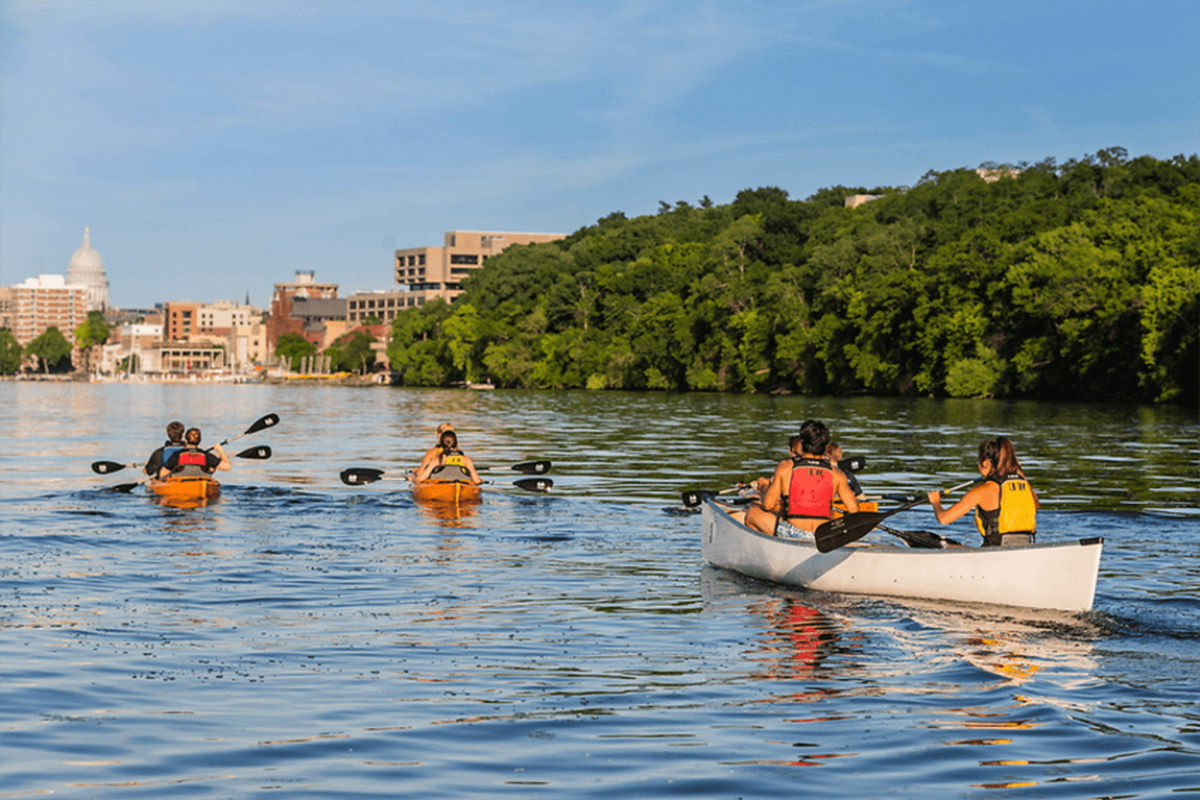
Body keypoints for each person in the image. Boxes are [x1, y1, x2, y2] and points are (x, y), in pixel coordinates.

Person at [745, 420, 860, 539]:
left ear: (802, 442)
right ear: (825, 446)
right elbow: (853, 509)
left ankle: (771, 550)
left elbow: (768, 505)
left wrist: (763, 489)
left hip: (794, 533)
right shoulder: (837, 473)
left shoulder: (786, 467)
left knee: (752, 513)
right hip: (822, 535)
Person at [927, 436, 1039, 547]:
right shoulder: (1024, 485)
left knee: (944, 545)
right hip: (1025, 547)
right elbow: (1036, 506)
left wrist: (936, 502)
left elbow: (944, 518)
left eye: (978, 462)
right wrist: (1020, 473)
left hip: (995, 551)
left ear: (986, 463)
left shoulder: (981, 491)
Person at [413, 427, 483, 485]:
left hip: (440, 487)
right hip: (461, 485)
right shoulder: (465, 460)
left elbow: (419, 480)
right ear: (456, 444)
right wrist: (481, 480)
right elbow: (477, 481)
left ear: (441, 445)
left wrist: (413, 479)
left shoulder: (437, 460)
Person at [158, 427, 231, 479]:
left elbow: (162, 474)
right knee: (212, 465)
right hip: (201, 482)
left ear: (186, 441)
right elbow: (227, 467)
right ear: (200, 441)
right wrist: (221, 451)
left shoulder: (177, 456)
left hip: (180, 483)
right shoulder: (206, 456)